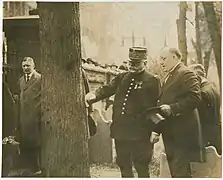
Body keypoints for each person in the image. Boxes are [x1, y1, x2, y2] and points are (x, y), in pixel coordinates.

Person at [85, 47, 160, 178]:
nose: (132, 66)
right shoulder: (122, 77)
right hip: (121, 132)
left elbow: (157, 106)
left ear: (145, 63)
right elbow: (107, 89)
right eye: (131, 63)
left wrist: (156, 130)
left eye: (136, 63)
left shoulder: (152, 80)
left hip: (141, 133)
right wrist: (93, 95)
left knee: (141, 166)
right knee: (124, 164)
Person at [154, 47, 204, 178]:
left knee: (180, 172)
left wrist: (173, 108)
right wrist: (157, 130)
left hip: (182, 135)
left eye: (164, 58)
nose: (161, 62)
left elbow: (195, 98)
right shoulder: (170, 75)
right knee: (177, 172)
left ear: (174, 57)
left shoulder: (186, 73)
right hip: (172, 134)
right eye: (160, 59)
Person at [16, 57, 41, 176]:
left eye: (28, 66)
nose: (26, 68)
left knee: (36, 142)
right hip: (24, 116)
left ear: (33, 66)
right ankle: (29, 168)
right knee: (25, 141)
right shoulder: (21, 80)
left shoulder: (40, 79)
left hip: (36, 116)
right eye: (24, 66)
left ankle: (37, 168)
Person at [189, 64, 221, 155]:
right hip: (216, 134)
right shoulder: (213, 88)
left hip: (207, 137)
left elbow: (201, 118)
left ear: (197, 77)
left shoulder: (202, 93)